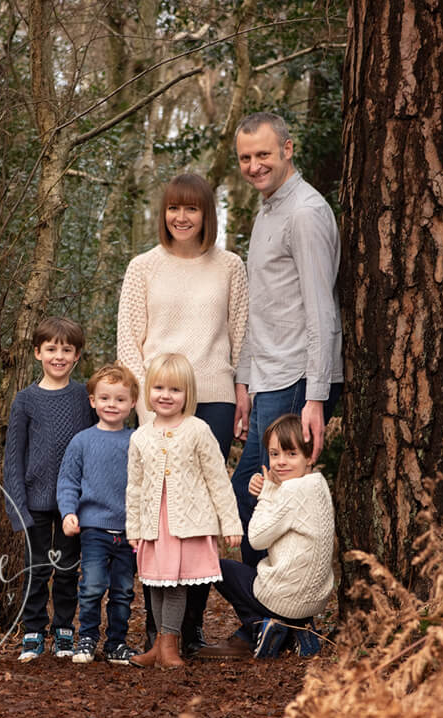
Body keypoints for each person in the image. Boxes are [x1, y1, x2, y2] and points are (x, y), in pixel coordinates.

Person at [117, 171, 248, 654]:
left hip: (213, 397)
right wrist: (144, 405)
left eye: (191, 208)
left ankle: (189, 631)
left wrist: (243, 390)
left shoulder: (230, 265)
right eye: (174, 208)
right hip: (159, 403)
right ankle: (157, 635)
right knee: (160, 519)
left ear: (206, 214)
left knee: (198, 516)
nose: (182, 216)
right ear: (164, 213)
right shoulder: (143, 267)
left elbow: (242, 335)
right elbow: (129, 343)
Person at [231, 112, 343, 566]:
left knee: (266, 501)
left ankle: (275, 619)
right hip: (269, 379)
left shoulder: (304, 212)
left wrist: (315, 398)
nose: (254, 165)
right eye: (245, 158)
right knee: (251, 496)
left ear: (287, 150)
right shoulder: (269, 209)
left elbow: (321, 309)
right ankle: (264, 617)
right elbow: (265, 307)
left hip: (297, 379)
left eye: (263, 154)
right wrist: (245, 382)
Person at [125, 353, 243, 670]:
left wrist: (230, 522)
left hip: (187, 523)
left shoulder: (198, 430)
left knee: (176, 584)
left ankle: (169, 645)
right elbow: (134, 487)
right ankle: (157, 647)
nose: (166, 395)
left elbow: (218, 479)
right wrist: (133, 528)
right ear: (148, 390)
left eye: (175, 390)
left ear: (187, 395)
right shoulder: (140, 436)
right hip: (154, 525)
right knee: (157, 583)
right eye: (159, 388)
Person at [198, 414, 334, 660]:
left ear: (310, 456)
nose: (281, 462)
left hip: (286, 597)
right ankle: (299, 631)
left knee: (216, 568)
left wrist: (267, 493)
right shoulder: (318, 484)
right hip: (315, 600)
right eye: (274, 454)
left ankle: (260, 624)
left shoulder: (291, 490)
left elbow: (257, 538)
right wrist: (272, 491)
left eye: (291, 454)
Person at [3, 316, 94, 662]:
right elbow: (14, 458)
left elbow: (95, 445)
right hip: (35, 503)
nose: (59, 355)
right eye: (51, 348)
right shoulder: (25, 401)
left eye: (66, 349)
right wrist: (18, 509)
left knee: (69, 570)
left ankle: (64, 630)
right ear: (37, 352)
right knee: (37, 570)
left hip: (73, 505)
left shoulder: (84, 398)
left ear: (77, 355)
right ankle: (32, 631)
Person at [56, 363, 140, 666]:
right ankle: (87, 639)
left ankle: (117, 642)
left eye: (120, 399)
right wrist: (68, 513)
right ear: (93, 400)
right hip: (93, 528)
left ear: (132, 403)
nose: (112, 405)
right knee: (91, 587)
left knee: (123, 591)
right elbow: (67, 481)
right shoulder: (82, 441)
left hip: (130, 531)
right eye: (105, 398)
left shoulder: (137, 441)